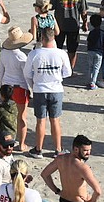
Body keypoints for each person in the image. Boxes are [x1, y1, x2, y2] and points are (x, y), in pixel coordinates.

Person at [23, 28, 71, 158]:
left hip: (40, 89)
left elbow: (27, 73)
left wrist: (35, 82)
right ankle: (58, 149)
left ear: (42, 39)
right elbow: (68, 73)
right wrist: (56, 75)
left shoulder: (34, 54)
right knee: (55, 120)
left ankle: (38, 149)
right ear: (53, 38)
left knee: (40, 120)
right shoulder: (61, 53)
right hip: (56, 89)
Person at [40, 135, 101, 202]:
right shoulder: (83, 168)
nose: (88, 153)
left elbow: (45, 174)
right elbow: (98, 191)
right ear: (76, 149)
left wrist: (56, 190)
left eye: (89, 150)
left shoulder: (60, 159)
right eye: (85, 150)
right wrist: (91, 201)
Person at [0, 27, 34, 151]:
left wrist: (0, 88)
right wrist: (31, 88)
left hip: (6, 87)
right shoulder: (21, 56)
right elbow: (27, 76)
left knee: (7, 116)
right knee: (21, 117)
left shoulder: (3, 53)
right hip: (19, 89)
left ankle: (6, 140)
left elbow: (1, 72)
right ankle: (21, 144)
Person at [49, 0, 88, 71]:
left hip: (59, 26)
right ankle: (70, 70)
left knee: (57, 48)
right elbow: (83, 11)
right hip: (74, 25)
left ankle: (57, 68)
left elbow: (51, 7)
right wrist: (84, 23)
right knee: (72, 50)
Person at [85, 14, 104, 89]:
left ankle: (89, 81)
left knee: (90, 67)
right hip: (99, 52)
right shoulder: (103, 33)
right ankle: (93, 82)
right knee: (96, 68)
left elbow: (88, 42)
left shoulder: (91, 32)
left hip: (90, 51)